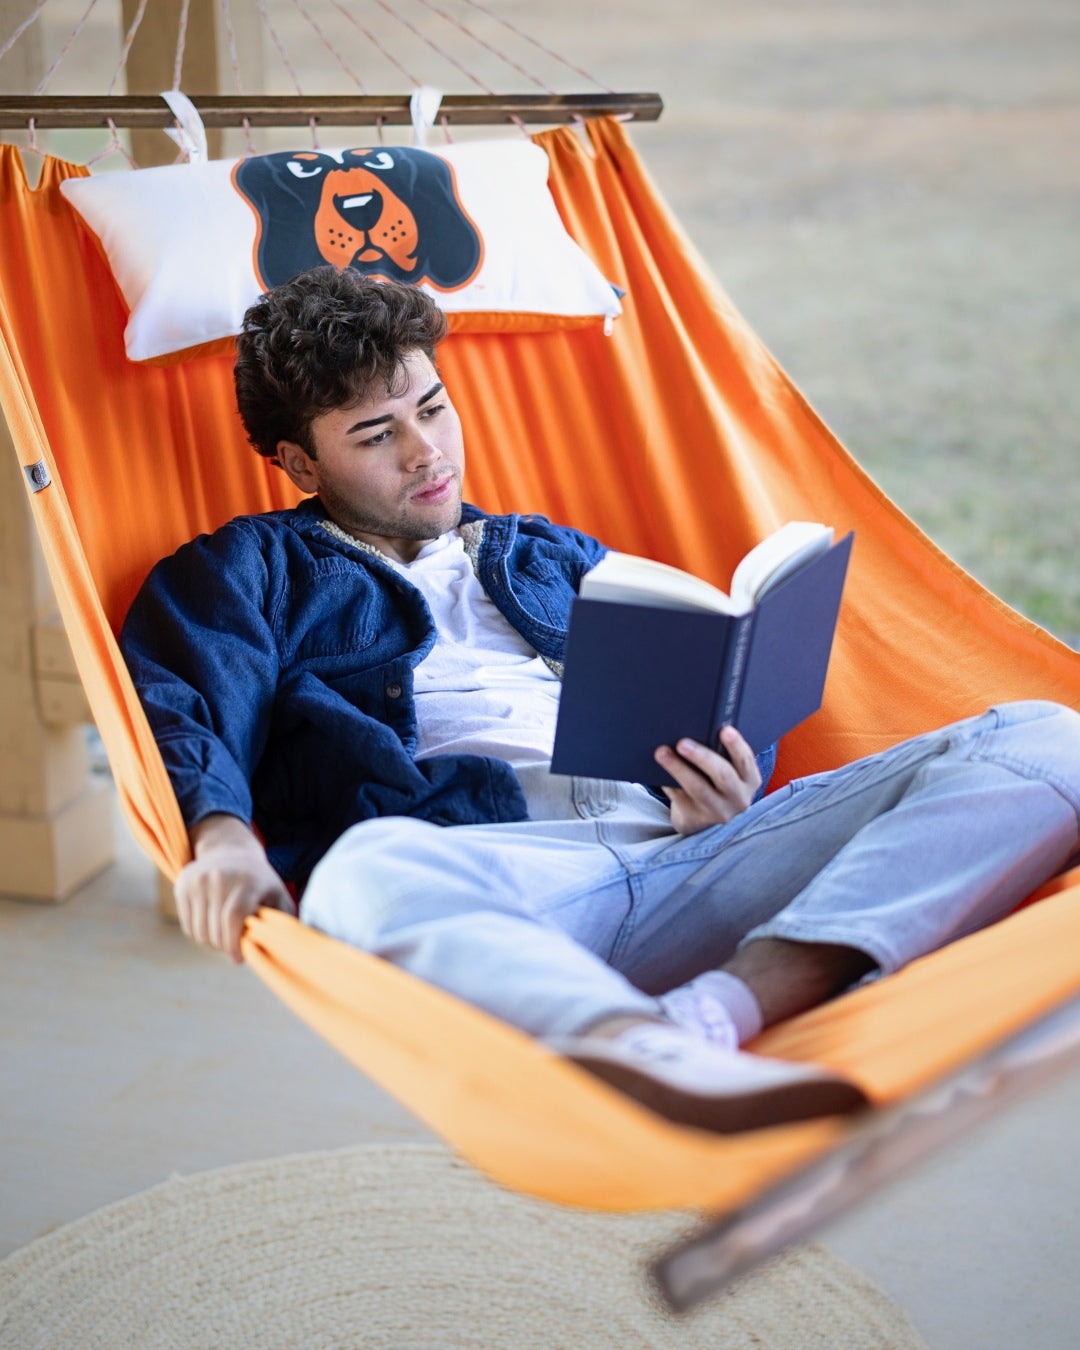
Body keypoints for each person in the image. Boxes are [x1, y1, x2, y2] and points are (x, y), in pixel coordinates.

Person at [120, 266, 1080, 1135]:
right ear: (301, 464)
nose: (425, 452)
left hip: (690, 863)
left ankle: (702, 1022)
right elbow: (182, 703)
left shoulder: (554, 555)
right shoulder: (249, 570)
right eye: (377, 434)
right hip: (496, 884)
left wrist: (727, 785)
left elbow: (709, 683)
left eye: (434, 408)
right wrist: (222, 838)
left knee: (1046, 740)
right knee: (357, 877)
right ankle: (635, 1044)